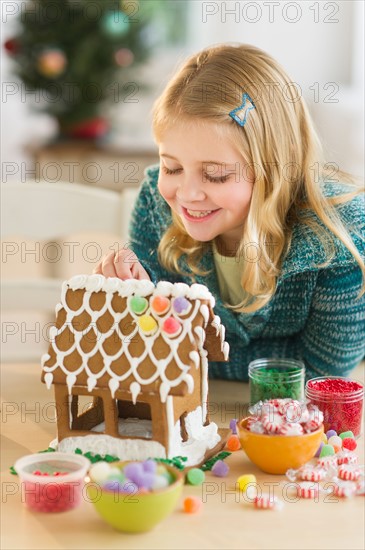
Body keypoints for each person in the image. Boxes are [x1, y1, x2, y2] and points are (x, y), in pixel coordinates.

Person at [94, 43, 365, 381]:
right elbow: (146, 343)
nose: (188, 194)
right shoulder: (156, 201)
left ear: (275, 168)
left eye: (216, 174)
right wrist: (130, 291)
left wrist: (195, 350)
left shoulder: (339, 231)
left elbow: (322, 371)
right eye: (172, 168)